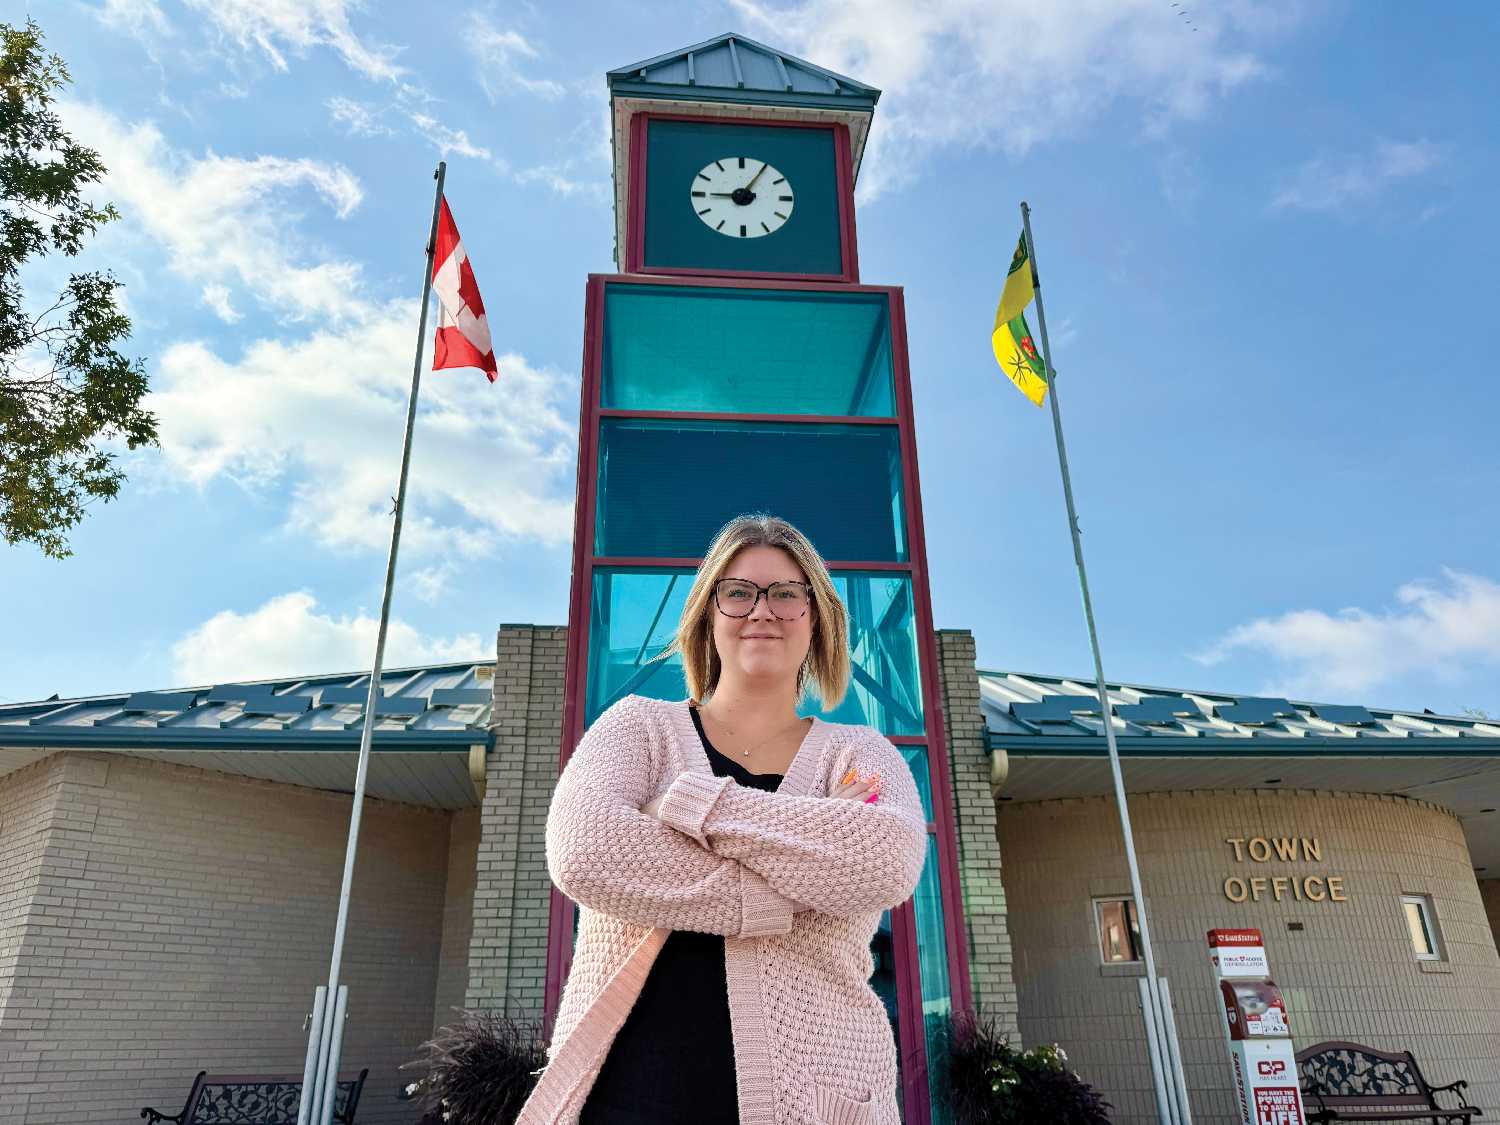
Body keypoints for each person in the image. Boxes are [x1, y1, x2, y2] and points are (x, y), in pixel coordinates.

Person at [517, 514, 927, 1125]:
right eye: (738, 592)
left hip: (819, 1099)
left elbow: (886, 860)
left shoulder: (860, 755)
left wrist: (685, 808)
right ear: (710, 616)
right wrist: (798, 867)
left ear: (816, 619)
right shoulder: (637, 729)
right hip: (627, 1094)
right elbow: (586, 850)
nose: (762, 609)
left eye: (787, 593)